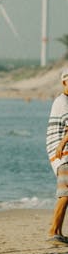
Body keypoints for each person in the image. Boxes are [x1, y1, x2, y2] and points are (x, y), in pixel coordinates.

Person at [46, 67, 68, 243]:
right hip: (64, 153)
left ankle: (58, 231)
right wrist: (62, 144)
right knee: (65, 194)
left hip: (63, 151)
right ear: (64, 82)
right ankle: (53, 230)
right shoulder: (63, 101)